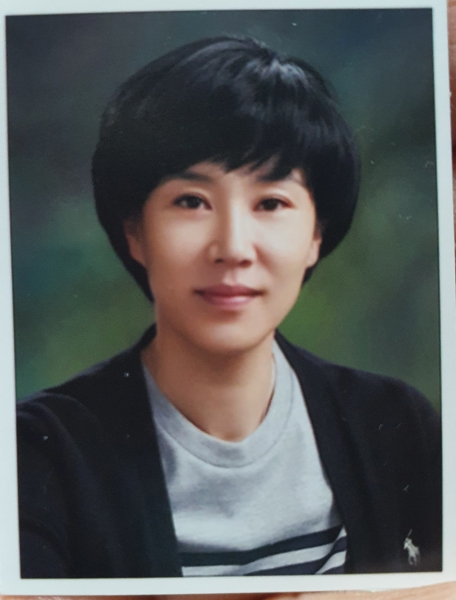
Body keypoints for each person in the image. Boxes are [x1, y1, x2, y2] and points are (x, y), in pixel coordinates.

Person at [16, 35, 441, 580]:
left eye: (271, 202)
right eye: (191, 201)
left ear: (316, 235)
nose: (233, 248)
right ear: (134, 232)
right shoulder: (38, 455)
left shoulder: (398, 427)